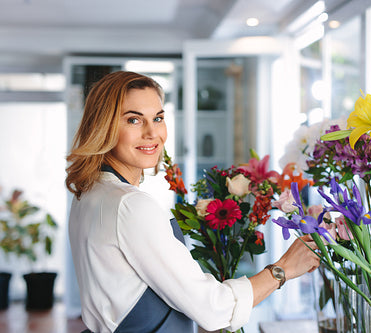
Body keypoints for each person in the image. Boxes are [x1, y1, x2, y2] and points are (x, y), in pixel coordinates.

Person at [66, 71, 320, 333]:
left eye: (158, 118)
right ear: (103, 127)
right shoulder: (130, 205)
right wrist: (283, 269)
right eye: (134, 120)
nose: (152, 132)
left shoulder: (88, 193)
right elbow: (213, 310)